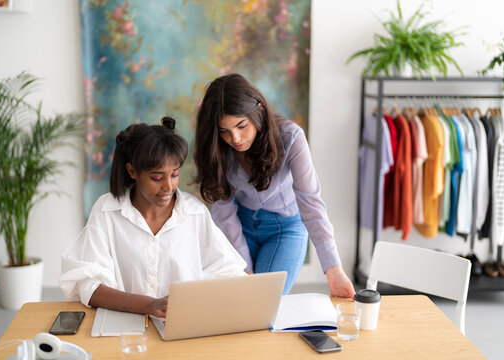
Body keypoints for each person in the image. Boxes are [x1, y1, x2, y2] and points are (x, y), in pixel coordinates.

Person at [60, 118, 246, 318]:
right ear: (132, 171)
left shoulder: (195, 213)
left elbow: (228, 272)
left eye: (174, 174)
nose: (168, 187)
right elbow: (89, 286)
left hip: (181, 326)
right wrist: (148, 305)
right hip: (123, 325)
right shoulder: (107, 211)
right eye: (157, 178)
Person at [193, 73, 355, 297]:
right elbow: (224, 210)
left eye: (241, 126)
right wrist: (244, 266)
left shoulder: (291, 138)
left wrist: (333, 268)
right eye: (225, 131)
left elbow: (311, 203)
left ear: (258, 109)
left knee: (264, 300)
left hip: (286, 228)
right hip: (241, 225)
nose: (236, 138)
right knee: (236, 298)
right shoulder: (218, 149)